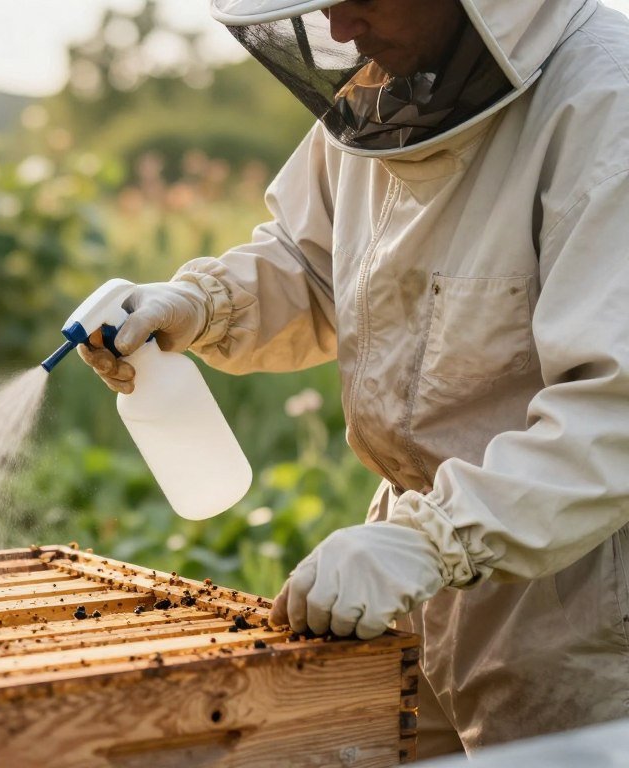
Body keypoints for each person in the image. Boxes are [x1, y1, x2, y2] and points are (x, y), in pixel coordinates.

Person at [78, 0, 629, 758]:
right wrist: (204, 304)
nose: (338, 28)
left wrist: (431, 543)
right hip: (417, 570)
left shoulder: (609, 101)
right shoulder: (387, 87)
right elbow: (315, 267)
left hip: (583, 596)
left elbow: (613, 419)